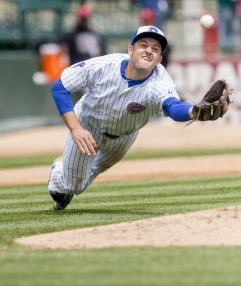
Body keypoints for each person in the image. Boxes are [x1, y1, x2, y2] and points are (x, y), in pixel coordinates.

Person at [48, 25, 227, 210]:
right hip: (87, 125)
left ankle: (71, 175)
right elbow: (60, 87)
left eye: (155, 49)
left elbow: (173, 106)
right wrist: (76, 128)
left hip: (123, 136)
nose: (149, 50)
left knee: (86, 177)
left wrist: (193, 112)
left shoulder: (159, 82)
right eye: (143, 45)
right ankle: (59, 173)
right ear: (130, 49)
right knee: (73, 185)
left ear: (159, 59)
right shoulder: (103, 66)